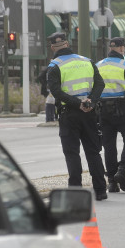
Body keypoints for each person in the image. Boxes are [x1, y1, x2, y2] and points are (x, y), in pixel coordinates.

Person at [45, 32, 109, 201]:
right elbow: (100, 84)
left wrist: (76, 103)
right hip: (89, 112)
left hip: (69, 114)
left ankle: (75, 191)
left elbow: (56, 92)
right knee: (93, 152)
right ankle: (101, 190)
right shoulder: (87, 61)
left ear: (52, 47)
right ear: (67, 44)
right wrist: (90, 101)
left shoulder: (54, 66)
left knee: (72, 153)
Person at [96, 37, 125, 193]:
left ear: (110, 48)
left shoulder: (98, 65)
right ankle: (122, 170)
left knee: (109, 146)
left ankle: (112, 182)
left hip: (103, 109)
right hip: (122, 108)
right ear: (122, 48)